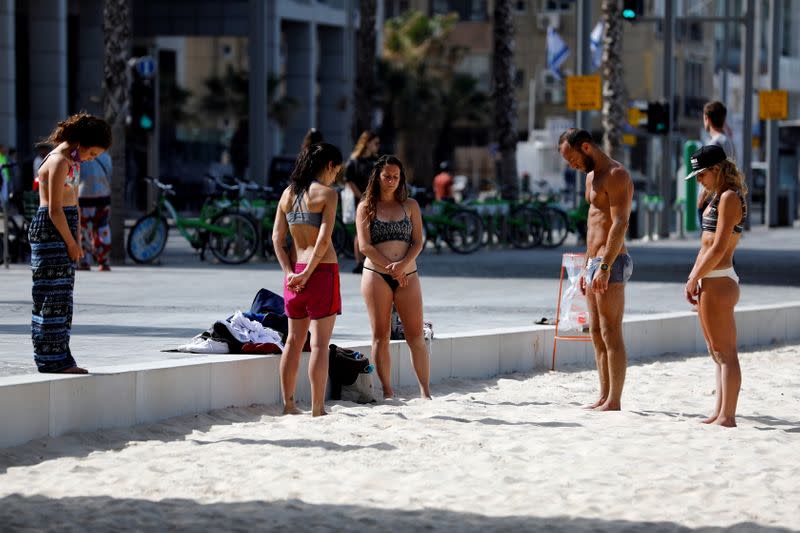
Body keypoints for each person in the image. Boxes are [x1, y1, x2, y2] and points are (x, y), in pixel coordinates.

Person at [558, 129, 633, 411]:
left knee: (612, 330)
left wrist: (603, 266)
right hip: (593, 264)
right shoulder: (590, 177)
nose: (571, 166)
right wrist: (586, 269)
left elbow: (619, 223)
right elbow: (594, 226)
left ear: (586, 147)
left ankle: (614, 399)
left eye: (572, 158)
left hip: (610, 262)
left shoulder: (616, 175)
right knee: (596, 331)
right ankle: (603, 395)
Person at [31, 112, 112, 374]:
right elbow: (54, 209)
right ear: (82, 143)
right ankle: (50, 359)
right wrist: (71, 243)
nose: (92, 159)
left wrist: (77, 239)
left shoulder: (72, 162)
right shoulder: (58, 161)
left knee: (62, 298)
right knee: (51, 296)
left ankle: (61, 356)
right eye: (93, 154)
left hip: (64, 230)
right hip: (52, 231)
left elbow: (73, 203)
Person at [272, 142, 343, 417]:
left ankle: (288, 404)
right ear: (329, 166)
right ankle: (317, 408)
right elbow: (324, 241)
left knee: (292, 341)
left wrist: (290, 272)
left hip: (293, 273)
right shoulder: (327, 194)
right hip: (321, 271)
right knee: (319, 344)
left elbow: (277, 239)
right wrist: (308, 272)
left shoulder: (287, 194)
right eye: (336, 170)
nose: (335, 176)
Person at [356, 155, 431, 400]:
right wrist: (392, 269)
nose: (391, 180)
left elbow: (418, 241)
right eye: (387, 176)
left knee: (415, 334)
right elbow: (365, 246)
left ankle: (425, 391)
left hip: (408, 273)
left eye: (396, 176)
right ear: (377, 177)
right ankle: (388, 391)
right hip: (377, 273)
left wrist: (403, 265)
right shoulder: (366, 206)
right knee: (380, 335)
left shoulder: (410, 205)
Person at [684, 144, 747, 428]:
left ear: (717, 170)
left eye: (701, 174)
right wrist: (695, 275)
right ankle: (720, 411)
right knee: (716, 352)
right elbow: (706, 245)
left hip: (719, 280)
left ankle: (728, 416)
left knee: (725, 352)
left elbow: (720, 246)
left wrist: (694, 277)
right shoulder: (716, 196)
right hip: (711, 278)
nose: (698, 179)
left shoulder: (729, 198)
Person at [345, 130, 380, 273]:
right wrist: (362, 197)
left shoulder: (376, 161)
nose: (378, 146)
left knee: (375, 231)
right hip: (360, 201)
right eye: (376, 143)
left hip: (376, 200)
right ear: (367, 143)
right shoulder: (354, 162)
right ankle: (359, 262)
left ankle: (371, 260)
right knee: (361, 231)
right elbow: (349, 181)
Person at [698, 101, 737, 226]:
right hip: (725, 195)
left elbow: (711, 172)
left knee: (708, 240)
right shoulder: (728, 141)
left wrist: (702, 197)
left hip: (712, 199)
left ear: (707, 119)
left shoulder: (714, 144)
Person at [77, 151, 113, 271]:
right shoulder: (106, 156)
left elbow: (75, 178)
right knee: (103, 227)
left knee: (83, 228)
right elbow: (109, 175)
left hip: (83, 197)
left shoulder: (79, 156)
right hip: (103, 196)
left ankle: (84, 261)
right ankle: (104, 260)